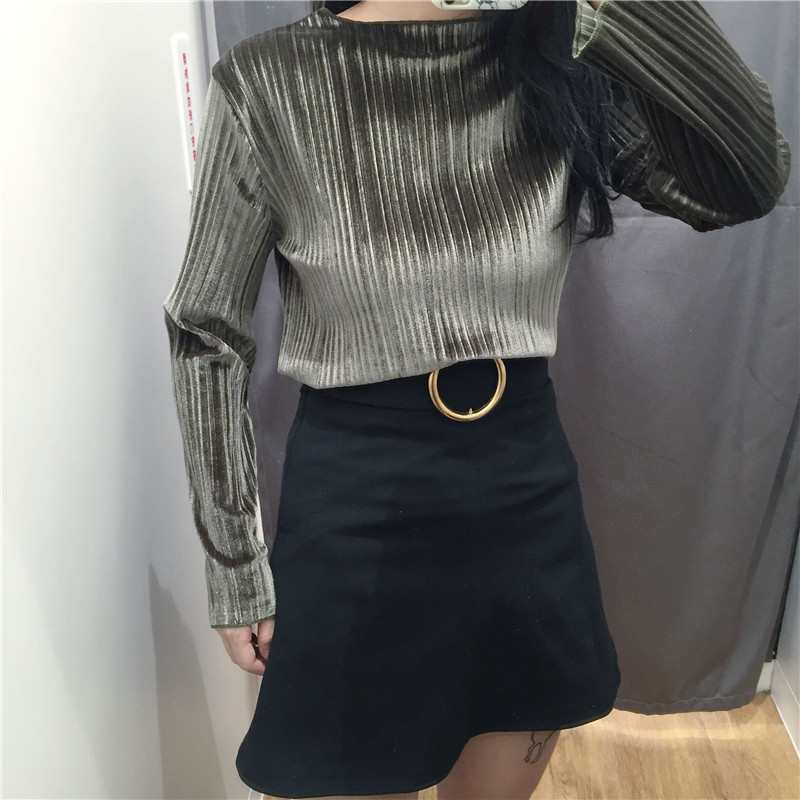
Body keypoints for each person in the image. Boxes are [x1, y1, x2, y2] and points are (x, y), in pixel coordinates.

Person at [161, 1, 791, 798]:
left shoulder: (560, 60)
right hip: (356, 499)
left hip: (519, 485)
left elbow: (745, 182)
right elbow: (207, 333)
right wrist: (233, 564)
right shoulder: (268, 84)